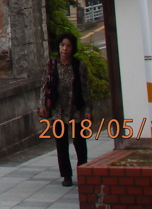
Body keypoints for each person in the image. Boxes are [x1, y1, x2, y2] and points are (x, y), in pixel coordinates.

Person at [39, 32, 91, 187]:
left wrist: (88, 110)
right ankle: (66, 175)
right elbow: (44, 86)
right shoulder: (52, 64)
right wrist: (42, 106)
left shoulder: (79, 66)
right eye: (62, 45)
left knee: (79, 142)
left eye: (68, 46)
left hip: (76, 110)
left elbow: (85, 90)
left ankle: (83, 172)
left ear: (72, 48)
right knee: (61, 144)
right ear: (58, 47)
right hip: (58, 111)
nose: (65, 49)